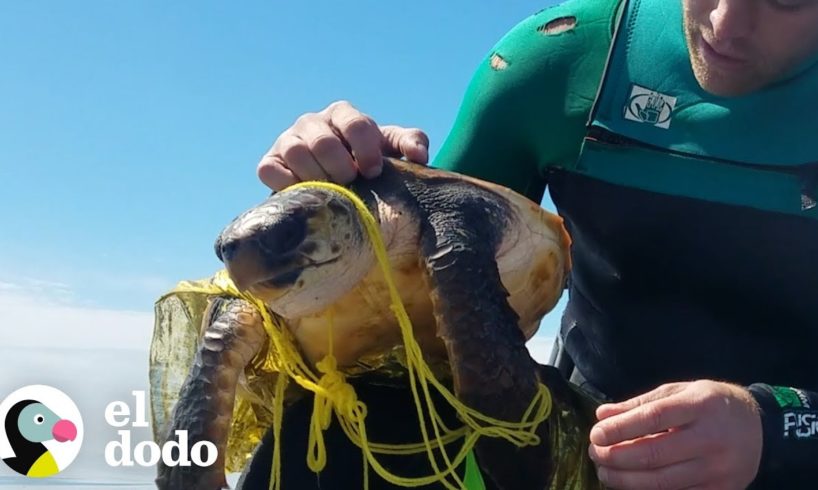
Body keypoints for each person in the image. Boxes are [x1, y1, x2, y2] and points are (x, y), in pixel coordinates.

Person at [253, 0, 818, 488]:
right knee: (324, 435)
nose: (727, 22)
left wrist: (775, 428)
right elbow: (412, 305)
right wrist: (347, 178)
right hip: (584, 447)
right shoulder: (568, 59)